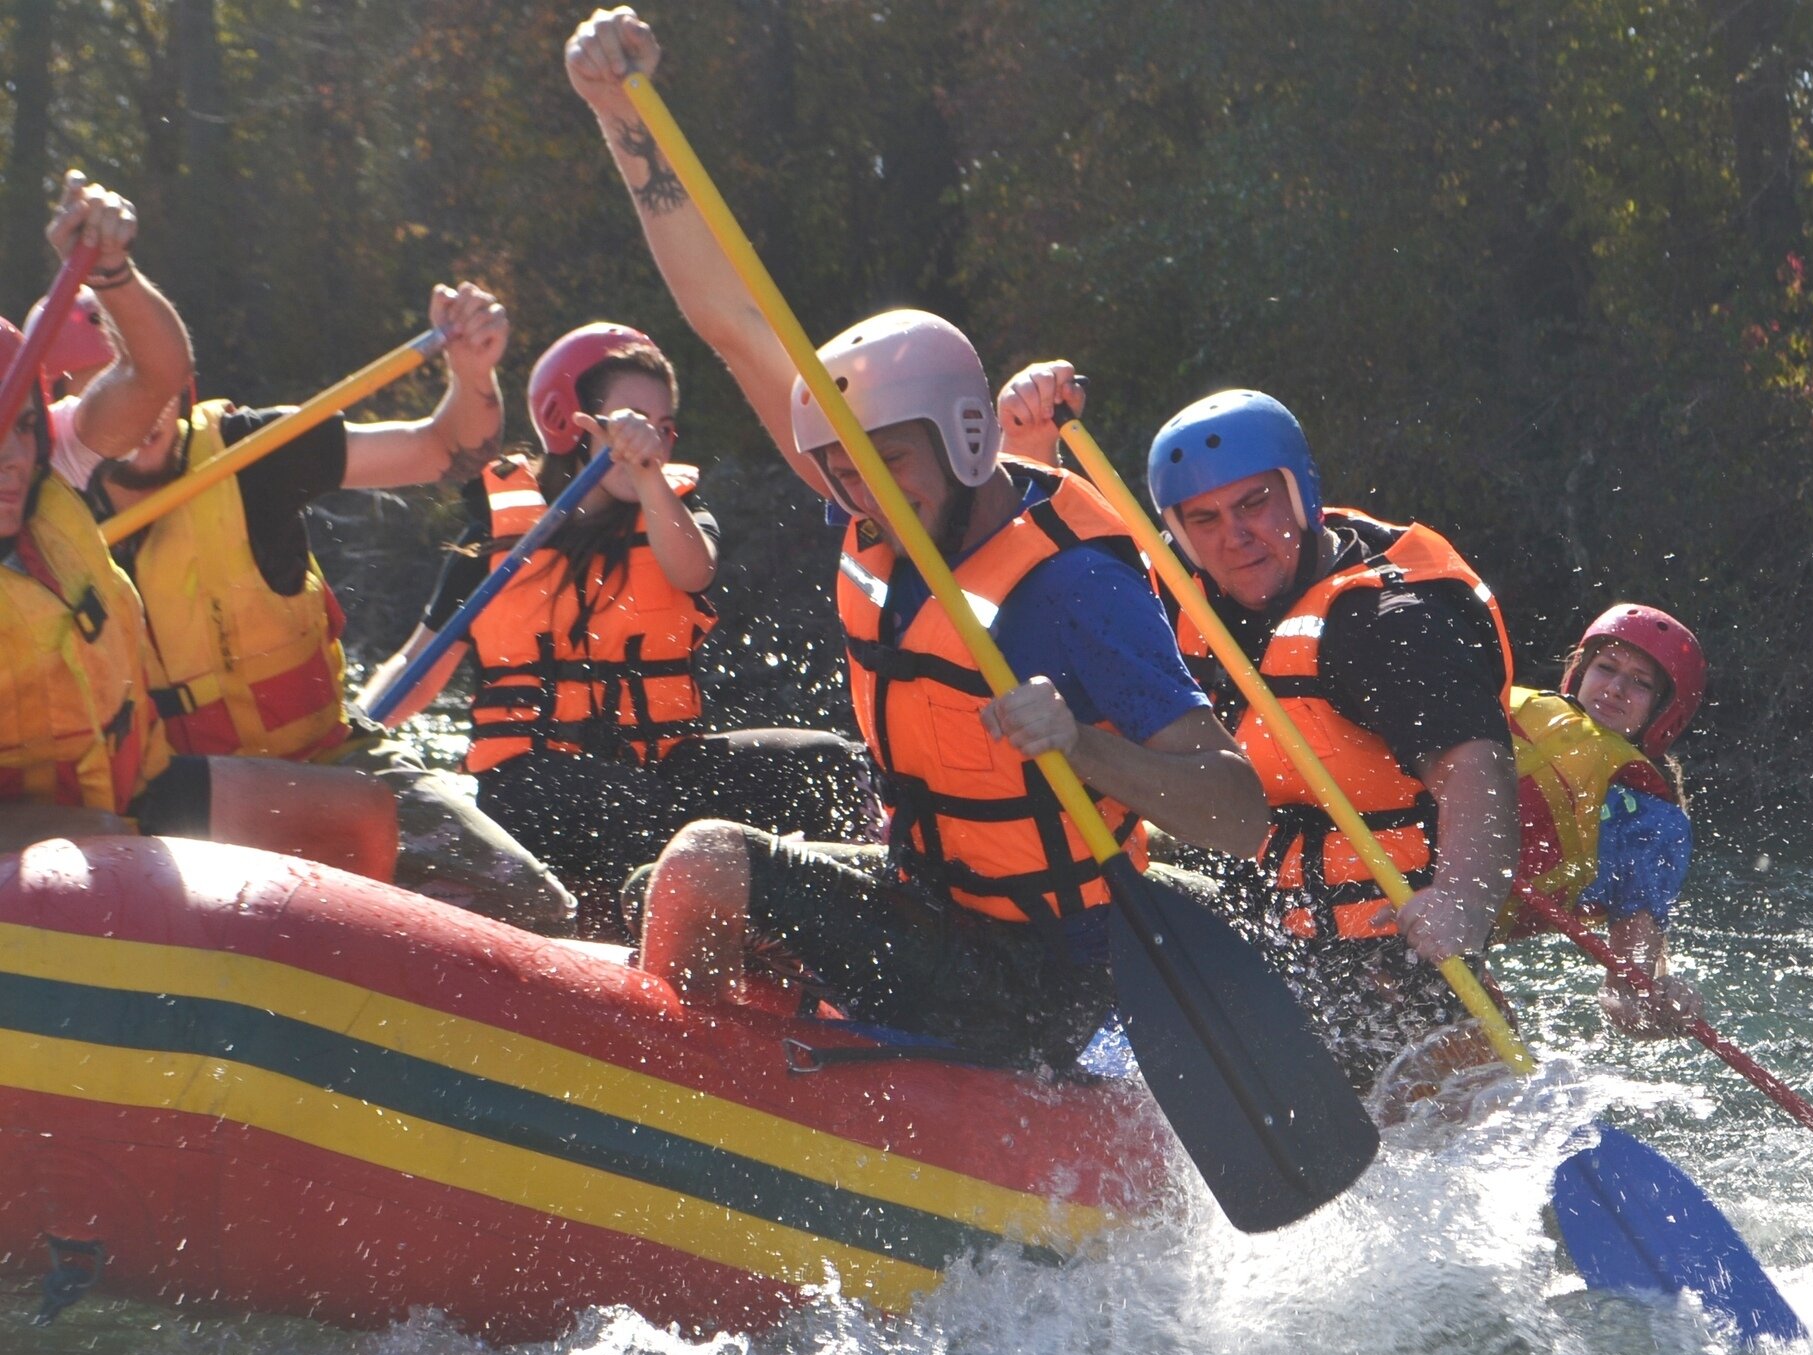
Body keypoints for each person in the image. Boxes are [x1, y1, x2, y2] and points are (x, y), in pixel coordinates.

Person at [562, 9, 1268, 1069]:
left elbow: (1239, 812)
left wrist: (1081, 743)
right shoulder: (873, 499)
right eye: (843, 469)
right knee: (649, 884)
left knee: (708, 863)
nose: (861, 494)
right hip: (929, 900)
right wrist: (623, 120)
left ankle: (701, 1115)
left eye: (886, 464)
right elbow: (729, 324)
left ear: (968, 438)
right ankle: (769, 1078)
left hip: (1033, 978)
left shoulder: (1072, 585)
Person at [1001, 370, 1521, 1091]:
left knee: (1415, 1083)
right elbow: (1053, 556)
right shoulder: (1178, 600)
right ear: (1177, 530)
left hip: (1404, 951)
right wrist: (1029, 446)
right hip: (1266, 929)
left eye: (1254, 504)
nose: (1236, 538)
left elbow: (1477, 768)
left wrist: (1463, 899)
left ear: (1300, 493)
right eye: (1204, 520)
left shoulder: (1384, 622)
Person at [64, 276, 576, 932]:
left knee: (532, 906)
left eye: (142, 376)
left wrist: (471, 372)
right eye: (104, 384)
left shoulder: (251, 455)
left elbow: (444, 447)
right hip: (178, 808)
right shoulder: (46, 522)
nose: (140, 411)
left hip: (329, 761)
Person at [364, 322, 868, 918]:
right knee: (645, 809)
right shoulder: (499, 536)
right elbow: (416, 664)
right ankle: (691, 917)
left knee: (827, 760)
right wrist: (353, 734)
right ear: (569, 423)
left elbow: (693, 572)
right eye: (629, 417)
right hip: (531, 783)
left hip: (654, 767)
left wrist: (650, 477)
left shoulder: (676, 510)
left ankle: (852, 921)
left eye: (661, 427)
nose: (647, 437)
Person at [2, 176, 395, 875]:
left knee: (365, 813)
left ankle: (345, 983)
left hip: (135, 785)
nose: (13, 458)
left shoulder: (55, 466)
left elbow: (158, 373)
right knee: (104, 845)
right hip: (31, 827)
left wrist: (112, 272)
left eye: (25, 430)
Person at [1504, 603, 1709, 1036]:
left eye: (1640, 683)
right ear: (1579, 673)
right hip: (1390, 892)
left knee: (1480, 1061)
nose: (1616, 688)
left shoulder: (1648, 822)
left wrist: (1658, 1005)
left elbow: (1625, 1000)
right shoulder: (1502, 718)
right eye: (1606, 667)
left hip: (1445, 939)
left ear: (1662, 712)